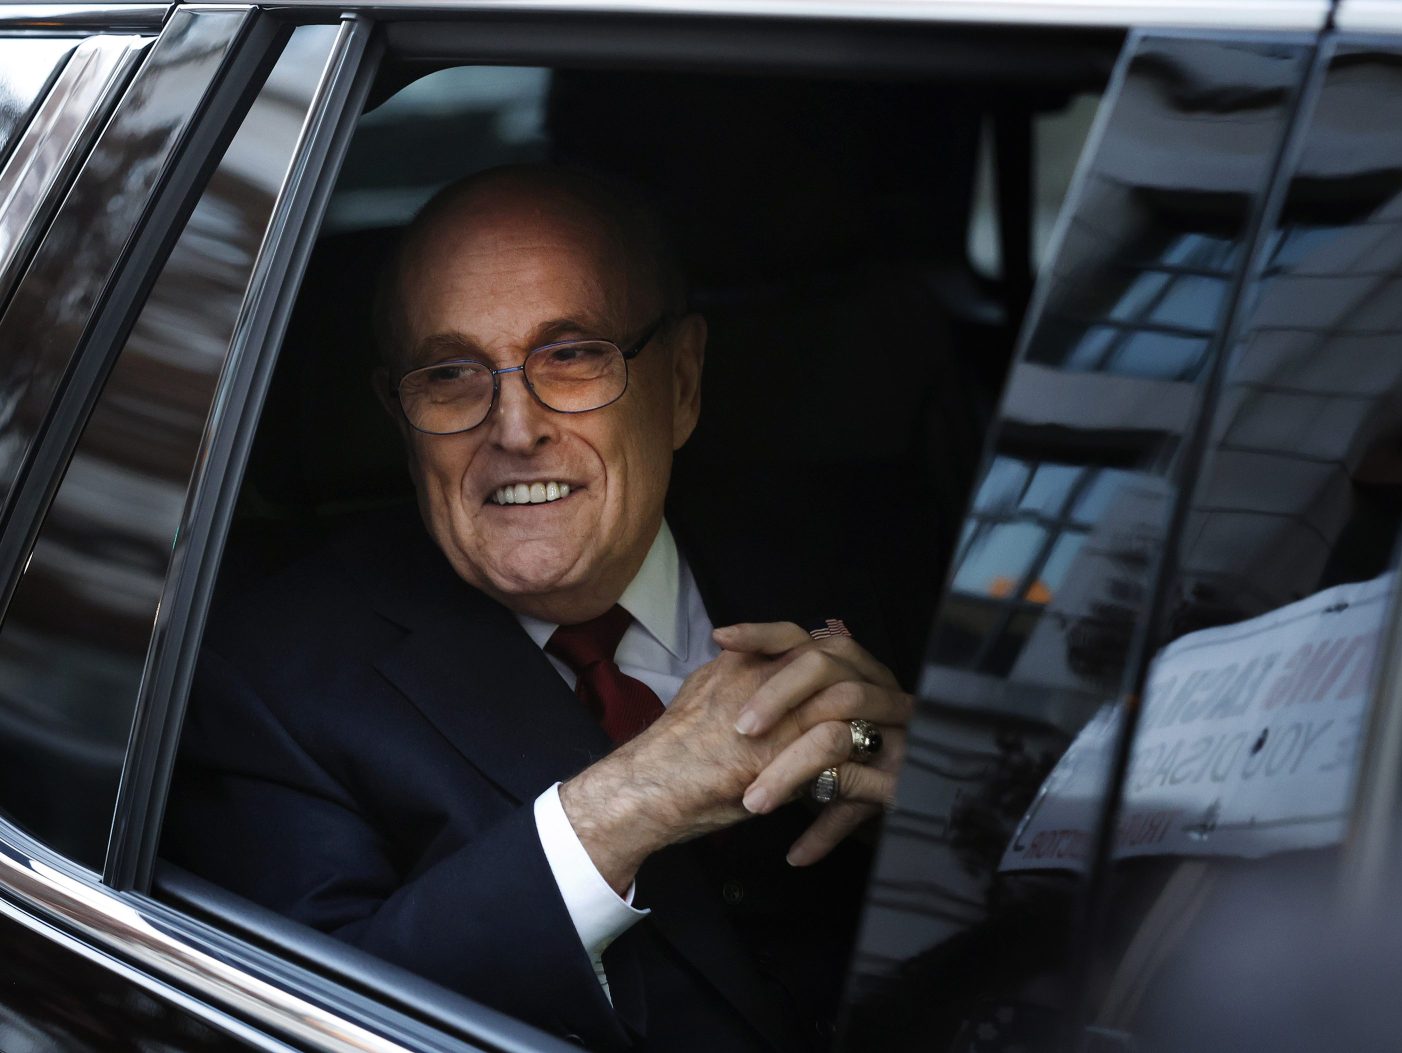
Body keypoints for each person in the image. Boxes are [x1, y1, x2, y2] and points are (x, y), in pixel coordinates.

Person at [164, 165, 916, 1052]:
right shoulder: (270, 679)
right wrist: (633, 797)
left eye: (571, 355)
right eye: (451, 374)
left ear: (681, 382)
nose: (516, 430)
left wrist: (935, 814)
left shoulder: (873, 553)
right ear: (398, 416)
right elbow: (305, 1020)